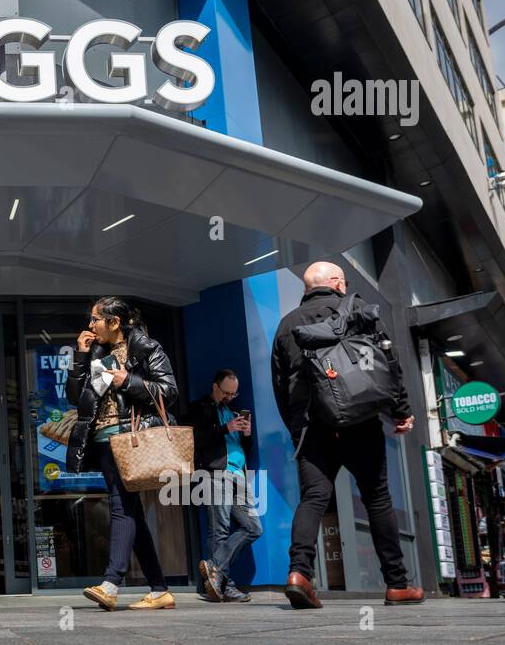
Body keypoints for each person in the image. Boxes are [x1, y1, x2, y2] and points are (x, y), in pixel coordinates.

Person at [271, 261, 424, 609]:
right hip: (360, 421)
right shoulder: (357, 310)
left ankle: (299, 575)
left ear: (307, 288)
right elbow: (389, 362)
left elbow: (280, 386)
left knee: (313, 498)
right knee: (377, 497)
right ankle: (397, 585)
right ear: (338, 283)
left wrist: (297, 428)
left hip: (312, 426)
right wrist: (400, 411)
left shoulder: (286, 325)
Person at [68, 296, 180, 611]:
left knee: (121, 505)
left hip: (130, 438)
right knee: (132, 513)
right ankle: (159, 589)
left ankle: (111, 583)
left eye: (95, 319)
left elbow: (169, 391)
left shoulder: (146, 348)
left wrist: (127, 380)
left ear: (114, 322)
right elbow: (76, 398)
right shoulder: (98, 352)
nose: (90, 326)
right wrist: (81, 355)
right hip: (103, 441)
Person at [186, 369, 261, 603]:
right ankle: (224, 586)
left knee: (253, 527)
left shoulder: (233, 411)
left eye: (234, 393)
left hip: (239, 476)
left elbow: (244, 449)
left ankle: (214, 567)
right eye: (226, 392)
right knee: (219, 530)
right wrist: (225, 428)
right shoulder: (200, 408)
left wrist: (246, 435)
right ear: (215, 387)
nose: (230, 397)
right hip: (215, 474)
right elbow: (195, 440)